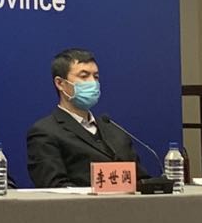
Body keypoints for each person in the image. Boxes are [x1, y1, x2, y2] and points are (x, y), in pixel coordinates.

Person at [27, 47, 149, 187]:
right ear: (60, 83)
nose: (93, 83)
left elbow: (141, 181)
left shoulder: (115, 131)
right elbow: (55, 186)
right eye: (84, 76)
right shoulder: (45, 132)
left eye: (96, 77)